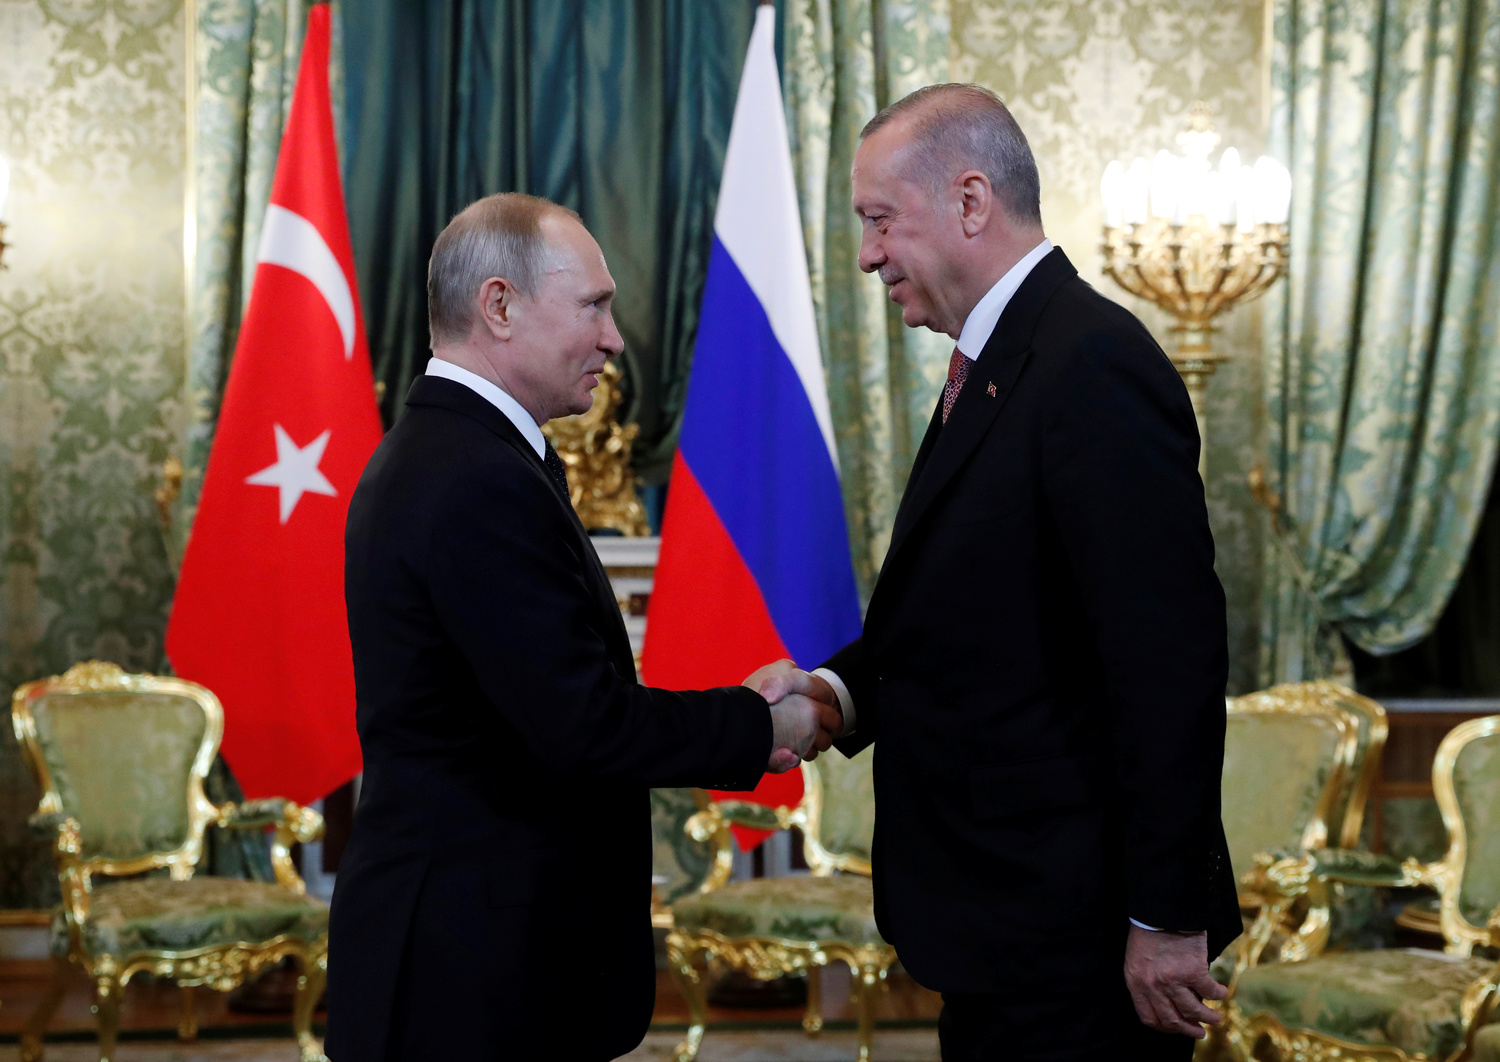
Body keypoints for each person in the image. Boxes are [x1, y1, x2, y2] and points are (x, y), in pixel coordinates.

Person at [751, 84, 1243, 1060]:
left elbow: (1167, 667)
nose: (866, 254)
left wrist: (1164, 918)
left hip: (1080, 937)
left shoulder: (1091, 363)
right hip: (1004, 925)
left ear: (971, 203)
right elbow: (964, 623)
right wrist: (836, 696)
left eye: (880, 219)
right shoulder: (1000, 364)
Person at [326, 193, 839, 1061]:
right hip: (470, 977)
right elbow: (584, 725)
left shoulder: (457, 453)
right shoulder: (474, 478)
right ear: (499, 306)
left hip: (472, 951)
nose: (615, 337)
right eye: (594, 306)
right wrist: (766, 725)